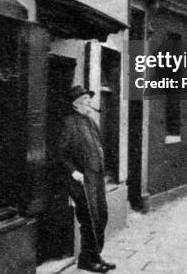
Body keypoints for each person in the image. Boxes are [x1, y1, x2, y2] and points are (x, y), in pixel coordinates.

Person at [58, 85, 116, 273]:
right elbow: (60, 153)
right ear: (75, 104)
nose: (89, 102)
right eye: (85, 99)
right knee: (89, 219)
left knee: (102, 215)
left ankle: (94, 255)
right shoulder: (69, 123)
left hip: (96, 178)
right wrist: (73, 171)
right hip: (81, 180)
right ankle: (87, 260)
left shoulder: (91, 122)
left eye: (89, 99)